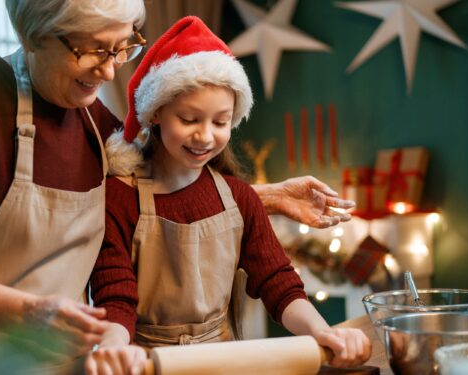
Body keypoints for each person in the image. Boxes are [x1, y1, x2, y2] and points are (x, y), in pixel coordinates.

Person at [0, 0, 354, 373]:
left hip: (65, 363)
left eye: (123, 46)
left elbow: (166, 186)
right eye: (91, 49)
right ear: (33, 35)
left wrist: (263, 198)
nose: (110, 71)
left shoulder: (91, 115)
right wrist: (28, 311)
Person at [87, 16, 371, 374]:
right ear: (156, 112)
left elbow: (278, 283)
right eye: (189, 119)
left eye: (220, 122)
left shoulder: (239, 197)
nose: (205, 136)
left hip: (222, 362)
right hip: (144, 364)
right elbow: (115, 297)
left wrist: (324, 333)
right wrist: (113, 350)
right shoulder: (118, 198)